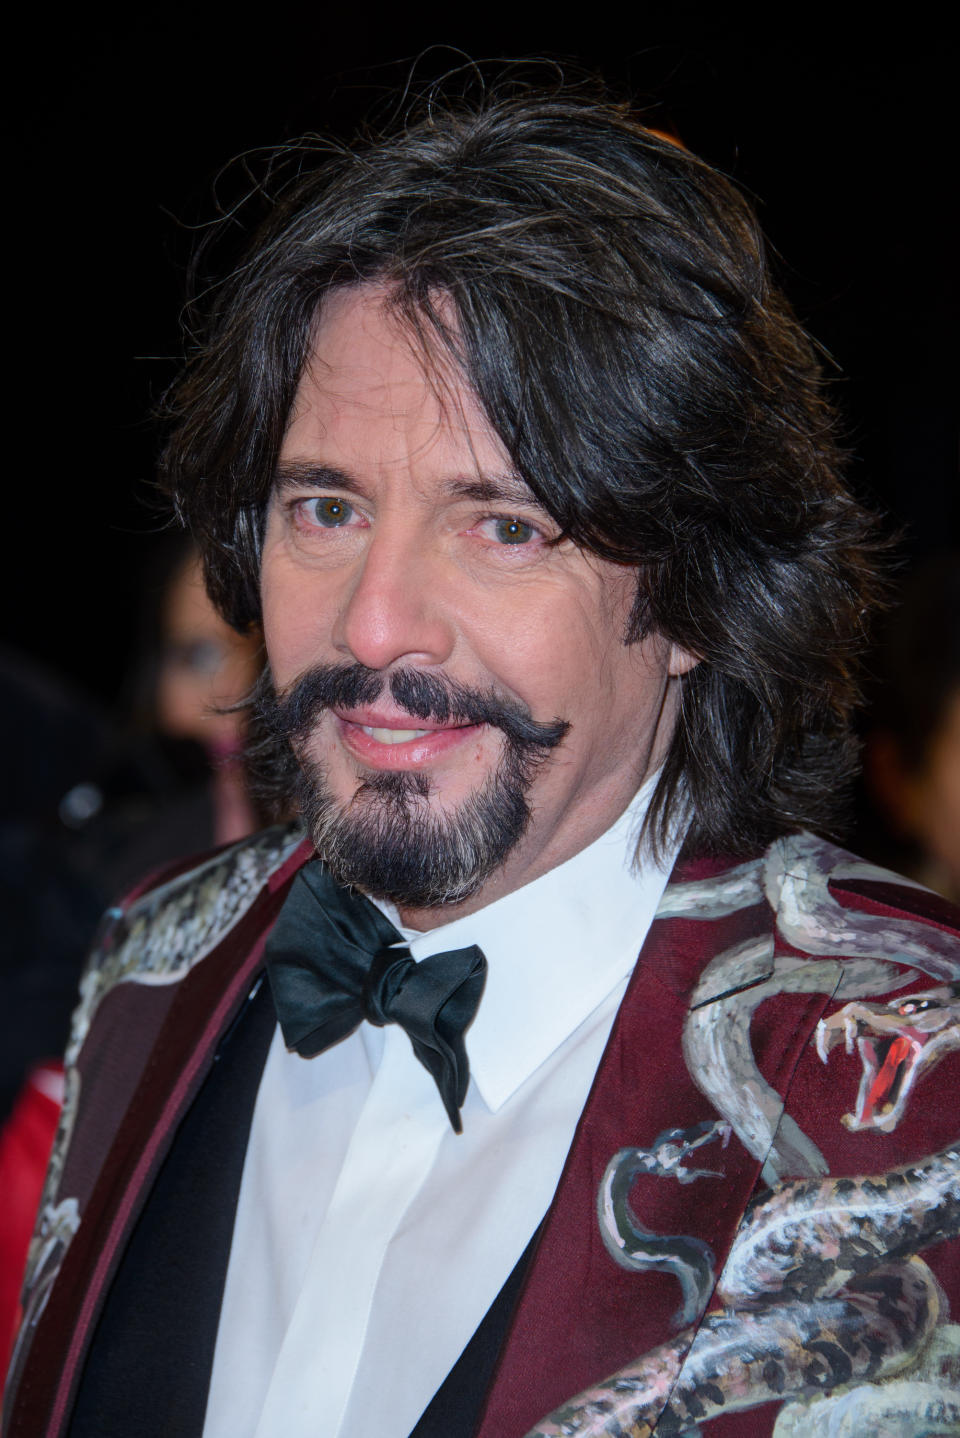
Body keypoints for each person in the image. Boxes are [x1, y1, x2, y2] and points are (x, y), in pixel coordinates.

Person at [5, 83, 958, 1438]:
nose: (376, 621)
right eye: (325, 508)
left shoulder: (904, 1079)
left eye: (502, 525)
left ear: (693, 593)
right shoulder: (154, 966)